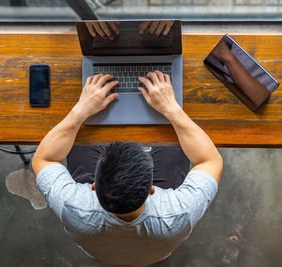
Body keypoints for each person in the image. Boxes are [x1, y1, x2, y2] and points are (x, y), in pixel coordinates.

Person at [32, 70, 223, 266]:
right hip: (156, 251)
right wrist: (172, 109)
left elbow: (43, 159)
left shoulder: (73, 207)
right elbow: (210, 161)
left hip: (101, 252)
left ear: (94, 186)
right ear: (151, 189)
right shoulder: (178, 214)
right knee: (178, 143)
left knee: (79, 137)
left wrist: (80, 111)